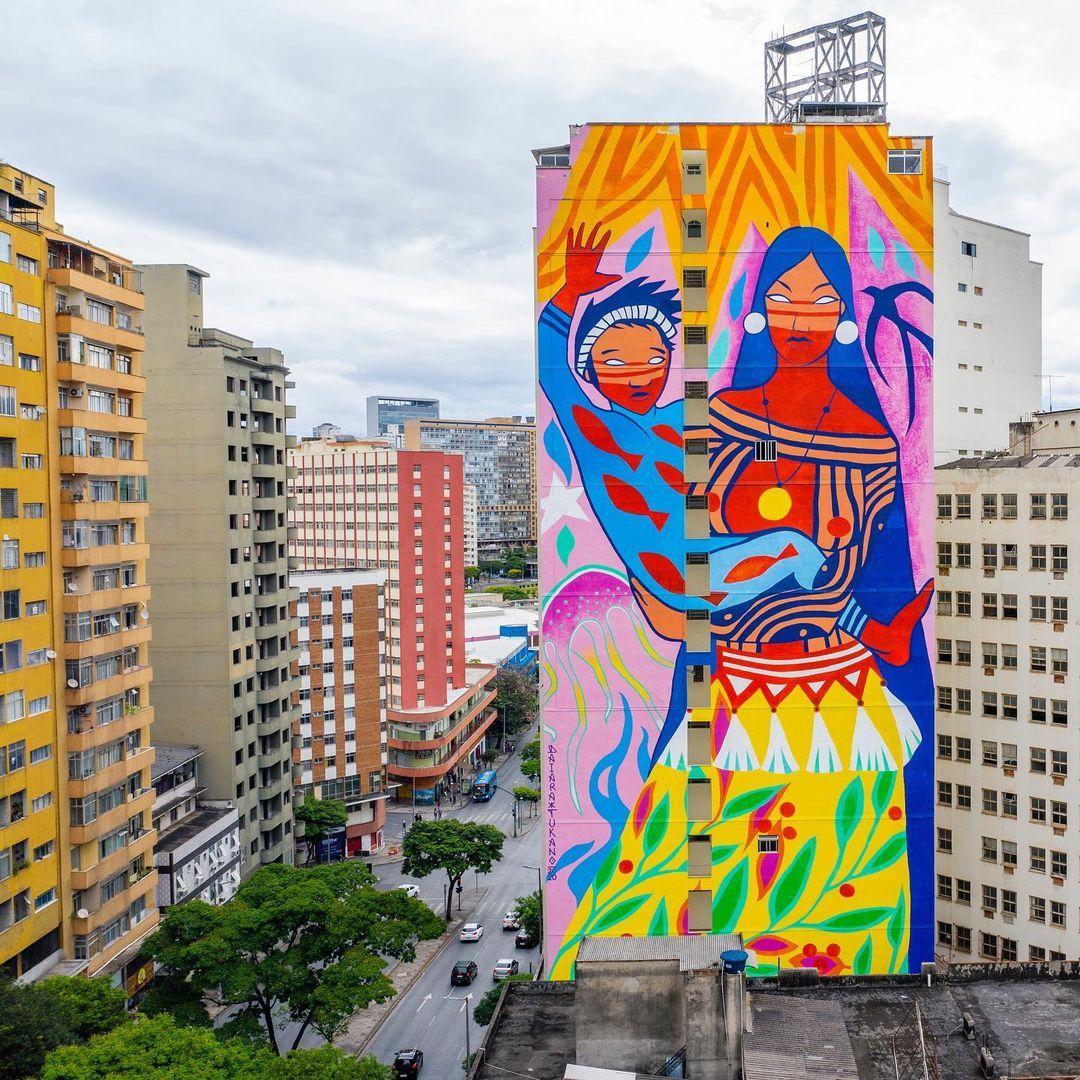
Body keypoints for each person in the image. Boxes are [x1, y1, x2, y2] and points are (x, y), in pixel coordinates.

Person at [548, 225, 933, 979]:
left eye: (820, 300)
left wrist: (878, 633)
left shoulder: (872, 441)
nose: (799, 316)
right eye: (782, 297)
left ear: (845, 314)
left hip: (841, 705)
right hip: (733, 693)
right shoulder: (717, 416)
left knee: (845, 910)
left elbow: (841, 587)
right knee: (651, 899)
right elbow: (681, 555)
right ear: (758, 308)